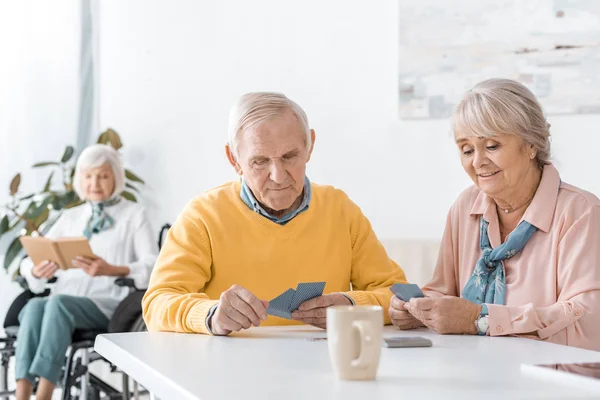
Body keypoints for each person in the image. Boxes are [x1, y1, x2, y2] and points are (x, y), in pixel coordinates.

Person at [142, 92, 407, 336]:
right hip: (229, 373)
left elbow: (398, 296)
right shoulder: (203, 216)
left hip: (324, 369)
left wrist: (350, 305)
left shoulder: (339, 209)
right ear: (234, 160)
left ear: (310, 146)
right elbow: (157, 303)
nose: (278, 176)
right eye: (260, 161)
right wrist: (210, 315)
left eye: (290, 156)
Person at [389, 78, 600, 351]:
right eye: (466, 149)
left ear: (531, 144)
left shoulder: (580, 212)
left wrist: (480, 319)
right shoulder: (465, 207)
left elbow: (588, 321)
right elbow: (442, 292)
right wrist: (415, 310)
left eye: (491, 146)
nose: (477, 162)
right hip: (473, 373)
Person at [15, 144, 157, 400]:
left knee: (56, 304)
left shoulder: (134, 214)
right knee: (36, 306)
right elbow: (29, 260)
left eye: (103, 175)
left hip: (106, 303)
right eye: (88, 176)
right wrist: (36, 270)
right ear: (80, 179)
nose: (95, 183)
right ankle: (22, 393)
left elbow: (153, 265)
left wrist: (112, 269)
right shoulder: (71, 217)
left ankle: (44, 395)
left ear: (116, 177)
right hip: (63, 303)